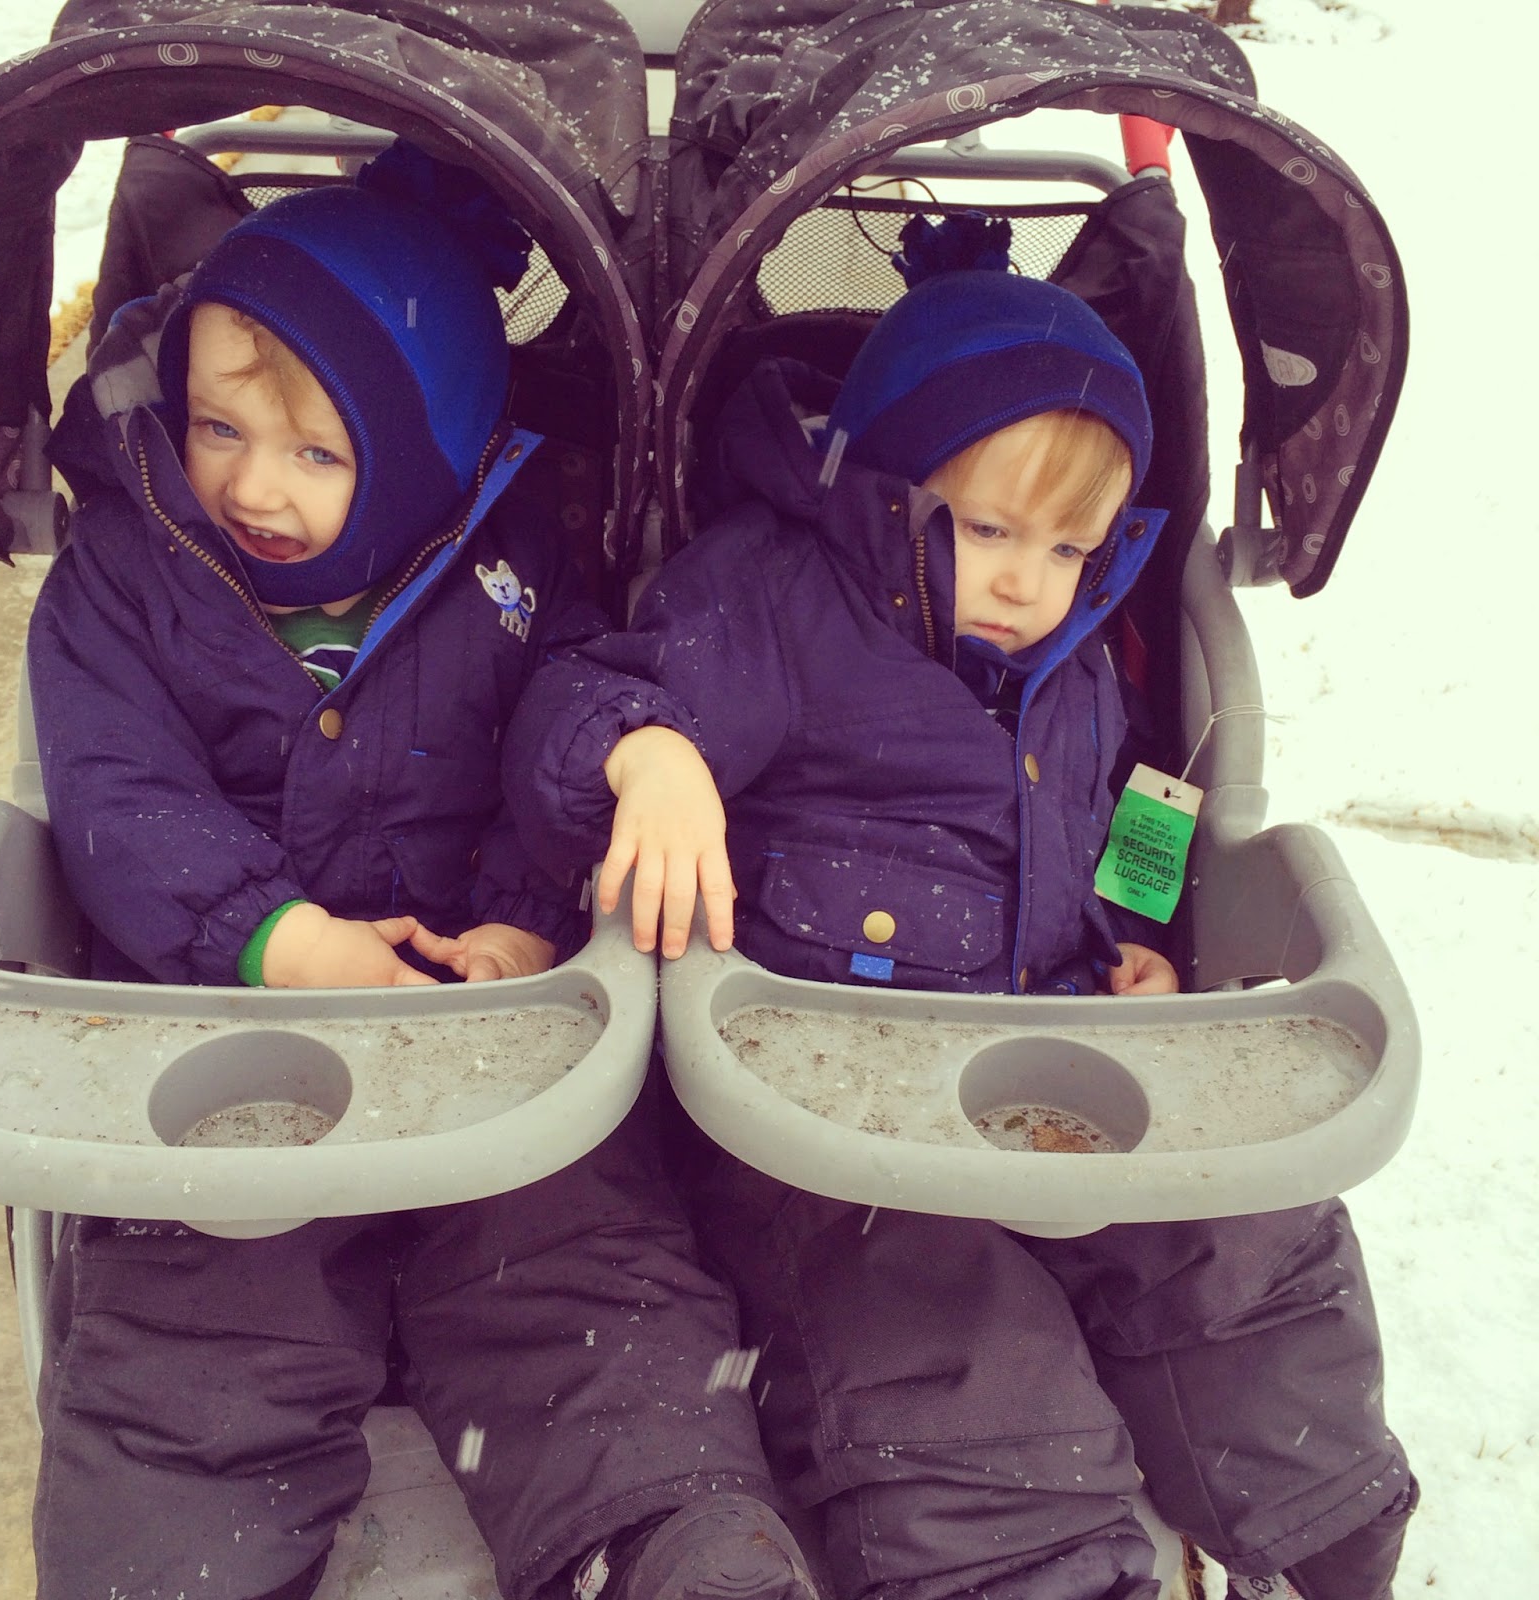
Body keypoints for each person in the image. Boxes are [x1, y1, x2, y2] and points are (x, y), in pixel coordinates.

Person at [502, 224, 1417, 1600]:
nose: (1026, 581)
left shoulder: (1076, 656)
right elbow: (576, 708)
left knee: (1235, 1225)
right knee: (946, 1342)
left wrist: (1129, 949)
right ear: (887, 485)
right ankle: (1025, 1566)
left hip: (1047, 1063)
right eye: (987, 529)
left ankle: (1318, 1503)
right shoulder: (775, 599)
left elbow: (1108, 825)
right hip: (829, 1117)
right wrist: (651, 754)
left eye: (1069, 546)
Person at [25, 144, 818, 1600]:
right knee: (198, 1344)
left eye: (318, 454)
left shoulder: (508, 573)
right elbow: (118, 797)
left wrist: (522, 920)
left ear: (424, 462)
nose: (251, 484)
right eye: (218, 426)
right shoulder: (127, 581)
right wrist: (274, 937)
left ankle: (668, 1545)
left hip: (483, 1038)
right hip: (234, 1054)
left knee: (589, 1285)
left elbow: (553, 734)